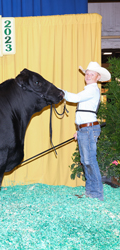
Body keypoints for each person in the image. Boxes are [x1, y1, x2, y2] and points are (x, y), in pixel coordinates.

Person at [62, 62, 111, 201]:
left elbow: (75, 98)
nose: (88, 76)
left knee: (89, 161)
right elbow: (84, 113)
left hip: (89, 129)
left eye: (92, 74)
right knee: (86, 161)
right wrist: (79, 130)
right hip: (85, 129)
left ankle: (96, 194)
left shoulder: (92, 90)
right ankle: (91, 192)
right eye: (87, 73)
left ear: (98, 77)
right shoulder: (89, 90)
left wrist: (59, 91)